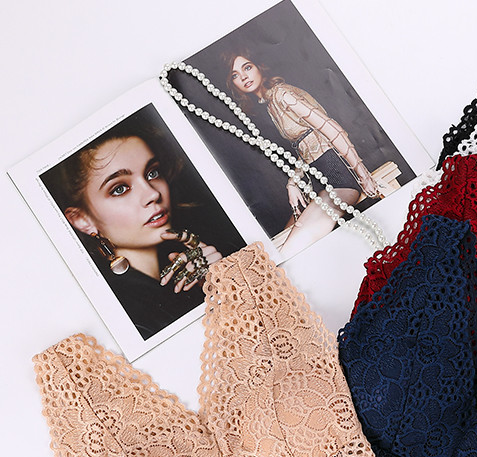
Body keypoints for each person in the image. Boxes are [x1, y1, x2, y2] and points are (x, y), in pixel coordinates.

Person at [47, 115, 226, 339]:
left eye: (152, 173)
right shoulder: (124, 312)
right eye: (120, 189)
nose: (153, 193)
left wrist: (221, 283)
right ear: (83, 219)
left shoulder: (183, 276)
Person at [222, 50, 381, 258]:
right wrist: (293, 183)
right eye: (235, 75)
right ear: (233, 84)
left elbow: (331, 128)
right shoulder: (271, 104)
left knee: (287, 252)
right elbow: (306, 147)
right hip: (323, 184)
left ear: (259, 66)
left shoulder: (283, 94)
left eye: (247, 67)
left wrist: (363, 174)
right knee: (277, 246)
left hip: (342, 180)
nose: (243, 77)